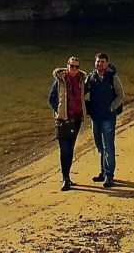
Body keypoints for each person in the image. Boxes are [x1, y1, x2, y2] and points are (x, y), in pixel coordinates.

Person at [85, 51, 125, 189]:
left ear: (107, 63)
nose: (100, 64)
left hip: (108, 117)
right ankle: (103, 171)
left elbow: (121, 95)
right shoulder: (90, 78)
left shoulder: (113, 77)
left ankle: (109, 175)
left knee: (108, 146)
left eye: (102, 61)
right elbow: (83, 92)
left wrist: (112, 107)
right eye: (98, 61)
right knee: (99, 146)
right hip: (95, 117)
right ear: (95, 63)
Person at [48, 55, 88, 191]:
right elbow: (51, 98)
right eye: (72, 66)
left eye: (77, 66)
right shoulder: (60, 81)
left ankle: (68, 177)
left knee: (70, 149)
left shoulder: (81, 81)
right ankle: (65, 178)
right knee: (64, 149)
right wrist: (58, 112)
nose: (74, 69)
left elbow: (85, 95)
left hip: (76, 120)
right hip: (63, 120)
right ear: (67, 66)